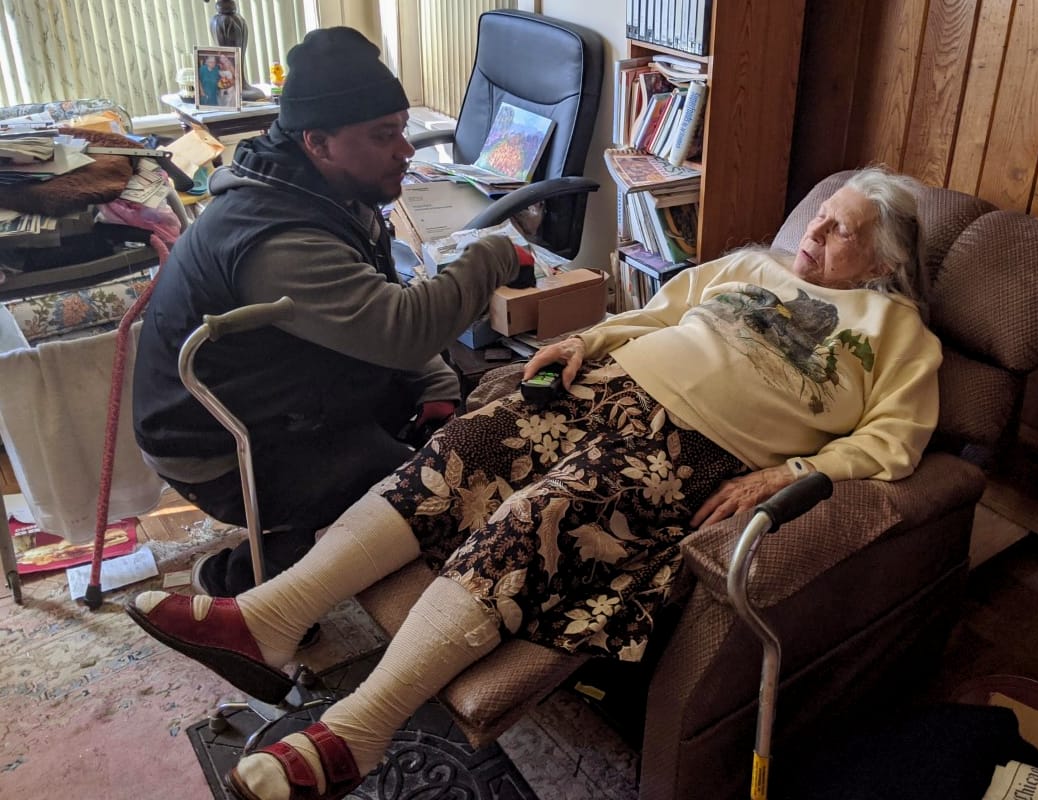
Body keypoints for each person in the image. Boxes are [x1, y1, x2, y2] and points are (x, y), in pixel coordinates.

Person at [127, 166, 941, 800]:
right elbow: (655, 315)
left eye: (843, 230)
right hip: (608, 384)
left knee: (539, 520)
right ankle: (272, 618)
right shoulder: (749, 265)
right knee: (457, 452)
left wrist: (797, 470)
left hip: (698, 448)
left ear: (882, 259)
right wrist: (586, 340)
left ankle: (356, 735)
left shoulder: (896, 332)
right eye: (822, 215)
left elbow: (896, 441)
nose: (819, 230)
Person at [132, 27, 536, 602]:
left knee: (444, 440)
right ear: (317, 142)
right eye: (383, 135)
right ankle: (241, 581)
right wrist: (493, 252)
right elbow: (402, 329)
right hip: (222, 446)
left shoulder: (328, 193)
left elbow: (380, 303)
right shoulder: (281, 237)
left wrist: (434, 385)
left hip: (284, 402)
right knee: (425, 497)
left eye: (401, 128)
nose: (406, 149)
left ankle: (307, 544)